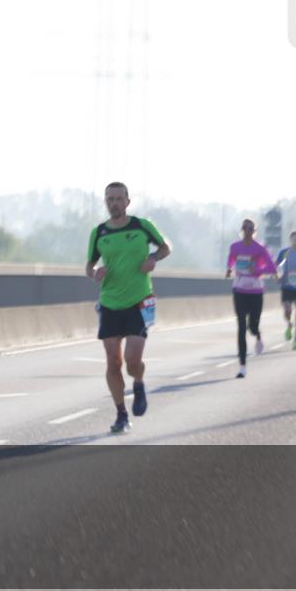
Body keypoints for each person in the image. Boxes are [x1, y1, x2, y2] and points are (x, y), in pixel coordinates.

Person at [86, 182, 172, 434]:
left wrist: (153, 258)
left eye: (118, 198)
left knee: (133, 361)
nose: (114, 203)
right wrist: (95, 273)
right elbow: (89, 266)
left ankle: (139, 381)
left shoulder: (141, 226)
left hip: (139, 301)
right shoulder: (99, 232)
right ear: (106, 202)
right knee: (113, 363)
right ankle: (121, 414)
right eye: (109, 199)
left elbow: (166, 246)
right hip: (110, 303)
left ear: (127, 201)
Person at [224, 219, 277, 378]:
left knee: (252, 326)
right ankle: (242, 366)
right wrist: (229, 269)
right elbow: (231, 260)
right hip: (239, 289)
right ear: (242, 230)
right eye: (245, 228)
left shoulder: (260, 249)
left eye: (250, 229)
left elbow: (272, 268)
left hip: (255, 291)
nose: (247, 231)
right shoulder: (235, 246)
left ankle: (258, 335)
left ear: (254, 231)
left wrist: (257, 268)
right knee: (241, 327)